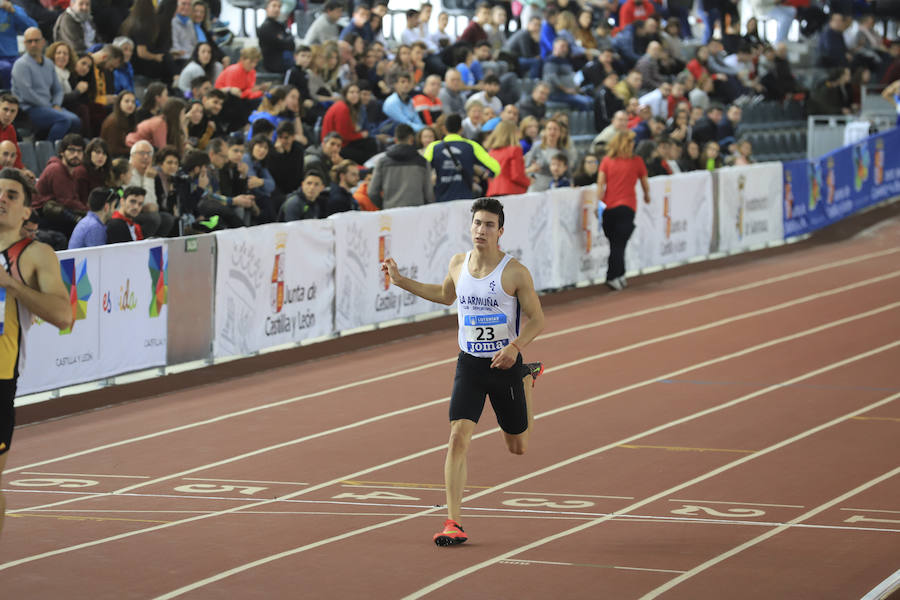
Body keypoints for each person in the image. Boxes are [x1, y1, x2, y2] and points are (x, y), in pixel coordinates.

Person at [381, 197, 545, 546]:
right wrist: (401, 281)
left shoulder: (515, 272)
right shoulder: (459, 263)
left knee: (518, 447)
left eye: (488, 225)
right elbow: (444, 295)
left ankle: (526, 379)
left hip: (506, 367)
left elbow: (538, 319)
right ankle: (453, 521)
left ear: (500, 231)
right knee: (458, 438)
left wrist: (515, 348)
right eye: (476, 223)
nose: (480, 230)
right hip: (469, 364)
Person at [0, 167, 73, 536]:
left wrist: (11, 285)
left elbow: (64, 316)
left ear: (27, 211)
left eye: (12, 195)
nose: (2, 199)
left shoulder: (34, 255)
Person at [597, 130, 649, 291]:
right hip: (627, 206)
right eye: (631, 142)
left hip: (610, 207)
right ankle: (614, 275)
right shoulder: (636, 161)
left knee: (616, 243)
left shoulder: (607, 161)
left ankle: (619, 273)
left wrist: (599, 203)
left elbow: (600, 184)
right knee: (619, 244)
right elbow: (644, 181)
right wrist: (647, 195)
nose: (633, 145)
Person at [11, 27, 81, 141]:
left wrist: (56, 104)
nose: (33, 44)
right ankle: (49, 154)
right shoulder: (21, 65)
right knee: (63, 120)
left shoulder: (48, 64)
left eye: (36, 40)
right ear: (24, 43)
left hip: (49, 107)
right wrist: (50, 107)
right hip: (30, 109)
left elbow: (57, 89)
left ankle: (66, 152)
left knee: (75, 121)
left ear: (43, 42)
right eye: (29, 41)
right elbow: (27, 94)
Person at [423, 114, 500, 203]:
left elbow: (422, 170)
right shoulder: (471, 145)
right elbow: (495, 168)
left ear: (444, 129)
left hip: (441, 199)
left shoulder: (433, 147)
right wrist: (487, 175)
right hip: (465, 198)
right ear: (461, 129)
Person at [368, 124, 433, 209]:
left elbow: (372, 192)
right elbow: (429, 194)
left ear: (395, 139)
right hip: (416, 213)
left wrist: (384, 206)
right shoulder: (423, 162)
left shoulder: (382, 162)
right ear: (411, 139)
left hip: (391, 212)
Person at [484, 120, 529, 196]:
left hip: (492, 192)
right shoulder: (515, 150)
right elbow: (516, 175)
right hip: (510, 192)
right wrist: (528, 182)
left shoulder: (491, 152)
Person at [257, 0, 294, 73]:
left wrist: (285, 41)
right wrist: (286, 41)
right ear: (267, 8)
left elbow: (291, 44)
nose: (277, 9)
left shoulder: (281, 25)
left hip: (284, 63)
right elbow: (284, 44)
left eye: (279, 7)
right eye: (274, 6)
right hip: (272, 65)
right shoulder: (265, 27)